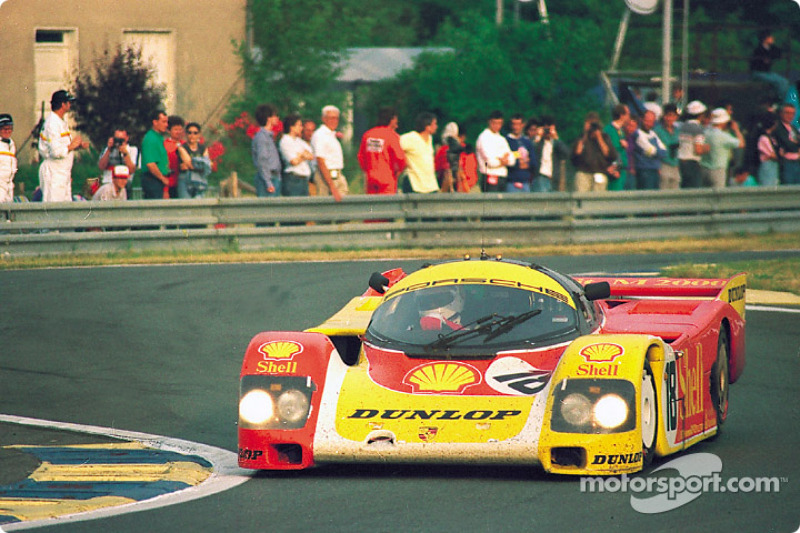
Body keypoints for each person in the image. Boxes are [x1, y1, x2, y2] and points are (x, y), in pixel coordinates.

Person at [38, 90, 89, 202]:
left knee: (65, 207)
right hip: (54, 172)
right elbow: (56, 152)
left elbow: (63, 146)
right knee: (54, 207)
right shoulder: (52, 123)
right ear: (62, 104)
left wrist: (77, 146)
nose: (70, 105)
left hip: (63, 172)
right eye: (68, 102)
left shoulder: (60, 122)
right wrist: (72, 146)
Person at [357, 107, 406, 195]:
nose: (396, 125)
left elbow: (361, 157)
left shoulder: (368, 135)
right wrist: (398, 171)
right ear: (392, 120)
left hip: (371, 178)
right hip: (387, 179)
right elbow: (400, 158)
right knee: (387, 207)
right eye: (396, 122)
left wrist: (368, 170)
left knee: (372, 206)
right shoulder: (391, 135)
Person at [571, 112, 617, 193]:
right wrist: (585, 134)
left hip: (599, 173)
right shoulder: (581, 137)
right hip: (583, 173)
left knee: (598, 202)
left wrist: (599, 137)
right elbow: (577, 152)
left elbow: (609, 154)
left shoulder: (605, 137)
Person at [311, 105, 348, 201]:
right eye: (331, 118)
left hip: (337, 174)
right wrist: (332, 187)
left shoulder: (331, 134)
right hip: (326, 177)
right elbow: (320, 161)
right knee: (325, 208)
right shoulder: (320, 135)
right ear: (324, 119)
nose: (334, 121)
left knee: (345, 203)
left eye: (336, 118)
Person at [701, 108, 745, 188]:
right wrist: (736, 130)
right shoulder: (724, 136)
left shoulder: (705, 132)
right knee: (719, 197)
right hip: (718, 170)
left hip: (704, 169)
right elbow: (741, 144)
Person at [399, 112, 439, 194]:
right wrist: (403, 161)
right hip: (414, 184)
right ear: (427, 126)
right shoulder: (411, 137)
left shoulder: (430, 139)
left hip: (430, 186)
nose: (436, 127)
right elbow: (395, 146)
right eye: (434, 124)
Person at [476, 110, 514, 192]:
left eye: (499, 123)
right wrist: (503, 160)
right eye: (494, 123)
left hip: (502, 177)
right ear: (489, 122)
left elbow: (512, 160)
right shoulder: (484, 138)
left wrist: (500, 159)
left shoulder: (502, 139)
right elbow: (490, 162)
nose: (497, 126)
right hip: (489, 176)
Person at [750, 30, 790, 103]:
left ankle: (782, 100)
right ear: (765, 38)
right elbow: (756, 64)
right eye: (770, 37)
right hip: (759, 73)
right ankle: (780, 101)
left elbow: (778, 54)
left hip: (767, 72)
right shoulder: (758, 50)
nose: (772, 39)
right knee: (779, 82)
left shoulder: (771, 48)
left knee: (784, 81)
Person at [279, 114, 314, 197]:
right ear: (291, 127)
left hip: (304, 179)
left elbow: (310, 155)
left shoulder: (299, 141)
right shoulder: (285, 141)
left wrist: (300, 155)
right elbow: (293, 161)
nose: (301, 128)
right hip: (293, 180)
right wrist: (303, 155)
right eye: (299, 125)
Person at [677, 100, 710, 188]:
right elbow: (698, 150)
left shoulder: (681, 126)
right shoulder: (698, 129)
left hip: (680, 162)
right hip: (692, 163)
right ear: (701, 115)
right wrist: (706, 148)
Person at [532, 115, 569, 193]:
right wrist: (538, 137)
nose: (547, 131)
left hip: (554, 178)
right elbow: (532, 151)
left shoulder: (556, 143)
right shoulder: (538, 143)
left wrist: (556, 139)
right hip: (541, 177)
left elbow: (566, 154)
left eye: (549, 128)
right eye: (545, 129)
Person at [252, 103, 282, 197]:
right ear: (268, 118)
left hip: (274, 177)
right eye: (275, 115)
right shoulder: (262, 137)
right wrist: (268, 182)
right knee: (267, 210)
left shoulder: (269, 136)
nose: (277, 118)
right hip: (268, 179)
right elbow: (262, 160)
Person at [98, 129, 137, 200]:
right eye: (117, 139)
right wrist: (109, 150)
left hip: (124, 184)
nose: (118, 142)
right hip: (108, 182)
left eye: (121, 139)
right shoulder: (107, 149)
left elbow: (131, 170)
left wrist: (125, 153)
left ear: (127, 138)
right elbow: (101, 166)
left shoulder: (132, 150)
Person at [633, 110, 668, 190]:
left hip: (655, 170)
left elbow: (664, 152)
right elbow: (652, 151)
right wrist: (657, 151)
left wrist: (656, 152)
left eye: (651, 122)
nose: (649, 124)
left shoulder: (653, 134)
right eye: (647, 121)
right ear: (641, 119)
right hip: (644, 171)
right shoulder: (638, 134)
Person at [140, 110, 170, 199]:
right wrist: (162, 178)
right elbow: (151, 164)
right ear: (155, 122)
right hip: (152, 179)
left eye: (167, 122)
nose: (166, 125)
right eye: (163, 122)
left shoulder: (159, 137)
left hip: (158, 180)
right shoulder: (150, 139)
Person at [176, 122, 211, 198]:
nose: (192, 135)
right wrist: (201, 164)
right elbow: (190, 164)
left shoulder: (203, 148)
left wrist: (196, 164)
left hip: (199, 180)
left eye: (195, 133)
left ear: (199, 134)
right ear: (186, 134)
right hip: (185, 180)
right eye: (189, 133)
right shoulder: (182, 148)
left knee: (199, 206)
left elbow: (207, 165)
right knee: (185, 206)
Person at [505, 113, 536, 193]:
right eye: (514, 124)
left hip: (525, 182)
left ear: (523, 125)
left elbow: (533, 162)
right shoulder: (506, 141)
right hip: (511, 182)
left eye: (518, 124)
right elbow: (507, 160)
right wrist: (518, 163)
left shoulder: (527, 142)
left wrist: (527, 164)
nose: (516, 127)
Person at [603, 104, 631, 191]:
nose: (629, 117)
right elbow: (613, 152)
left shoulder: (620, 130)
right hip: (615, 172)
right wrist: (615, 169)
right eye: (628, 114)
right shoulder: (610, 130)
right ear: (622, 116)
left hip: (622, 170)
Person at [654, 104, 681, 189]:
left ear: (676, 117)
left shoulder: (677, 131)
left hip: (675, 165)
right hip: (663, 165)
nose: (669, 119)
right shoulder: (657, 131)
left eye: (672, 116)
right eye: (667, 115)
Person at [773, 103, 800, 185]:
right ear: (781, 113)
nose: (790, 116)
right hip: (787, 163)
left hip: (797, 161)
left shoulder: (793, 128)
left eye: (792, 113)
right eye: (787, 113)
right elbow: (787, 144)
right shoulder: (778, 128)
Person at [164, 116, 185, 198]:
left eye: (180, 129)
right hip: (170, 183)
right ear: (169, 130)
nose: (178, 132)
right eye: (176, 129)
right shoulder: (165, 145)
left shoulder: (185, 144)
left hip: (184, 183)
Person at [756, 113, 780, 186]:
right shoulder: (763, 138)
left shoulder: (772, 137)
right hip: (767, 165)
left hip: (774, 165)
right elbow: (771, 154)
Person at [0, 114, 17, 203]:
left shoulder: (11, 144)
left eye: (10, 128)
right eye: (4, 129)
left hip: (9, 185)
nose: (8, 131)